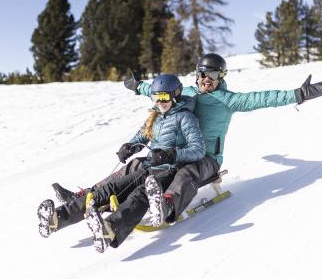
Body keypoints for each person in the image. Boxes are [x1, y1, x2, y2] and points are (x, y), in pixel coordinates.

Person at [123, 53, 322, 227]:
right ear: (197, 73)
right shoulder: (186, 93)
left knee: (185, 173)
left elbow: (262, 98)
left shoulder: (229, 100)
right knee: (146, 166)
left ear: (221, 77)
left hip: (206, 158)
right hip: (181, 154)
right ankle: (117, 201)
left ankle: (166, 205)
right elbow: (160, 92)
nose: (208, 78)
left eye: (214, 74)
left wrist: (299, 94)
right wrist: (138, 86)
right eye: (204, 73)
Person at [37, 75, 205, 253]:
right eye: (156, 97)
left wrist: (170, 154)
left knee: (140, 195)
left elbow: (198, 149)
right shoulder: (156, 116)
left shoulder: (185, 118)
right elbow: (142, 135)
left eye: (164, 97)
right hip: (149, 169)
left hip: (169, 171)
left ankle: (110, 230)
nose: (160, 102)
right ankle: (58, 218)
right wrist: (130, 146)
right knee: (108, 190)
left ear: (176, 95)